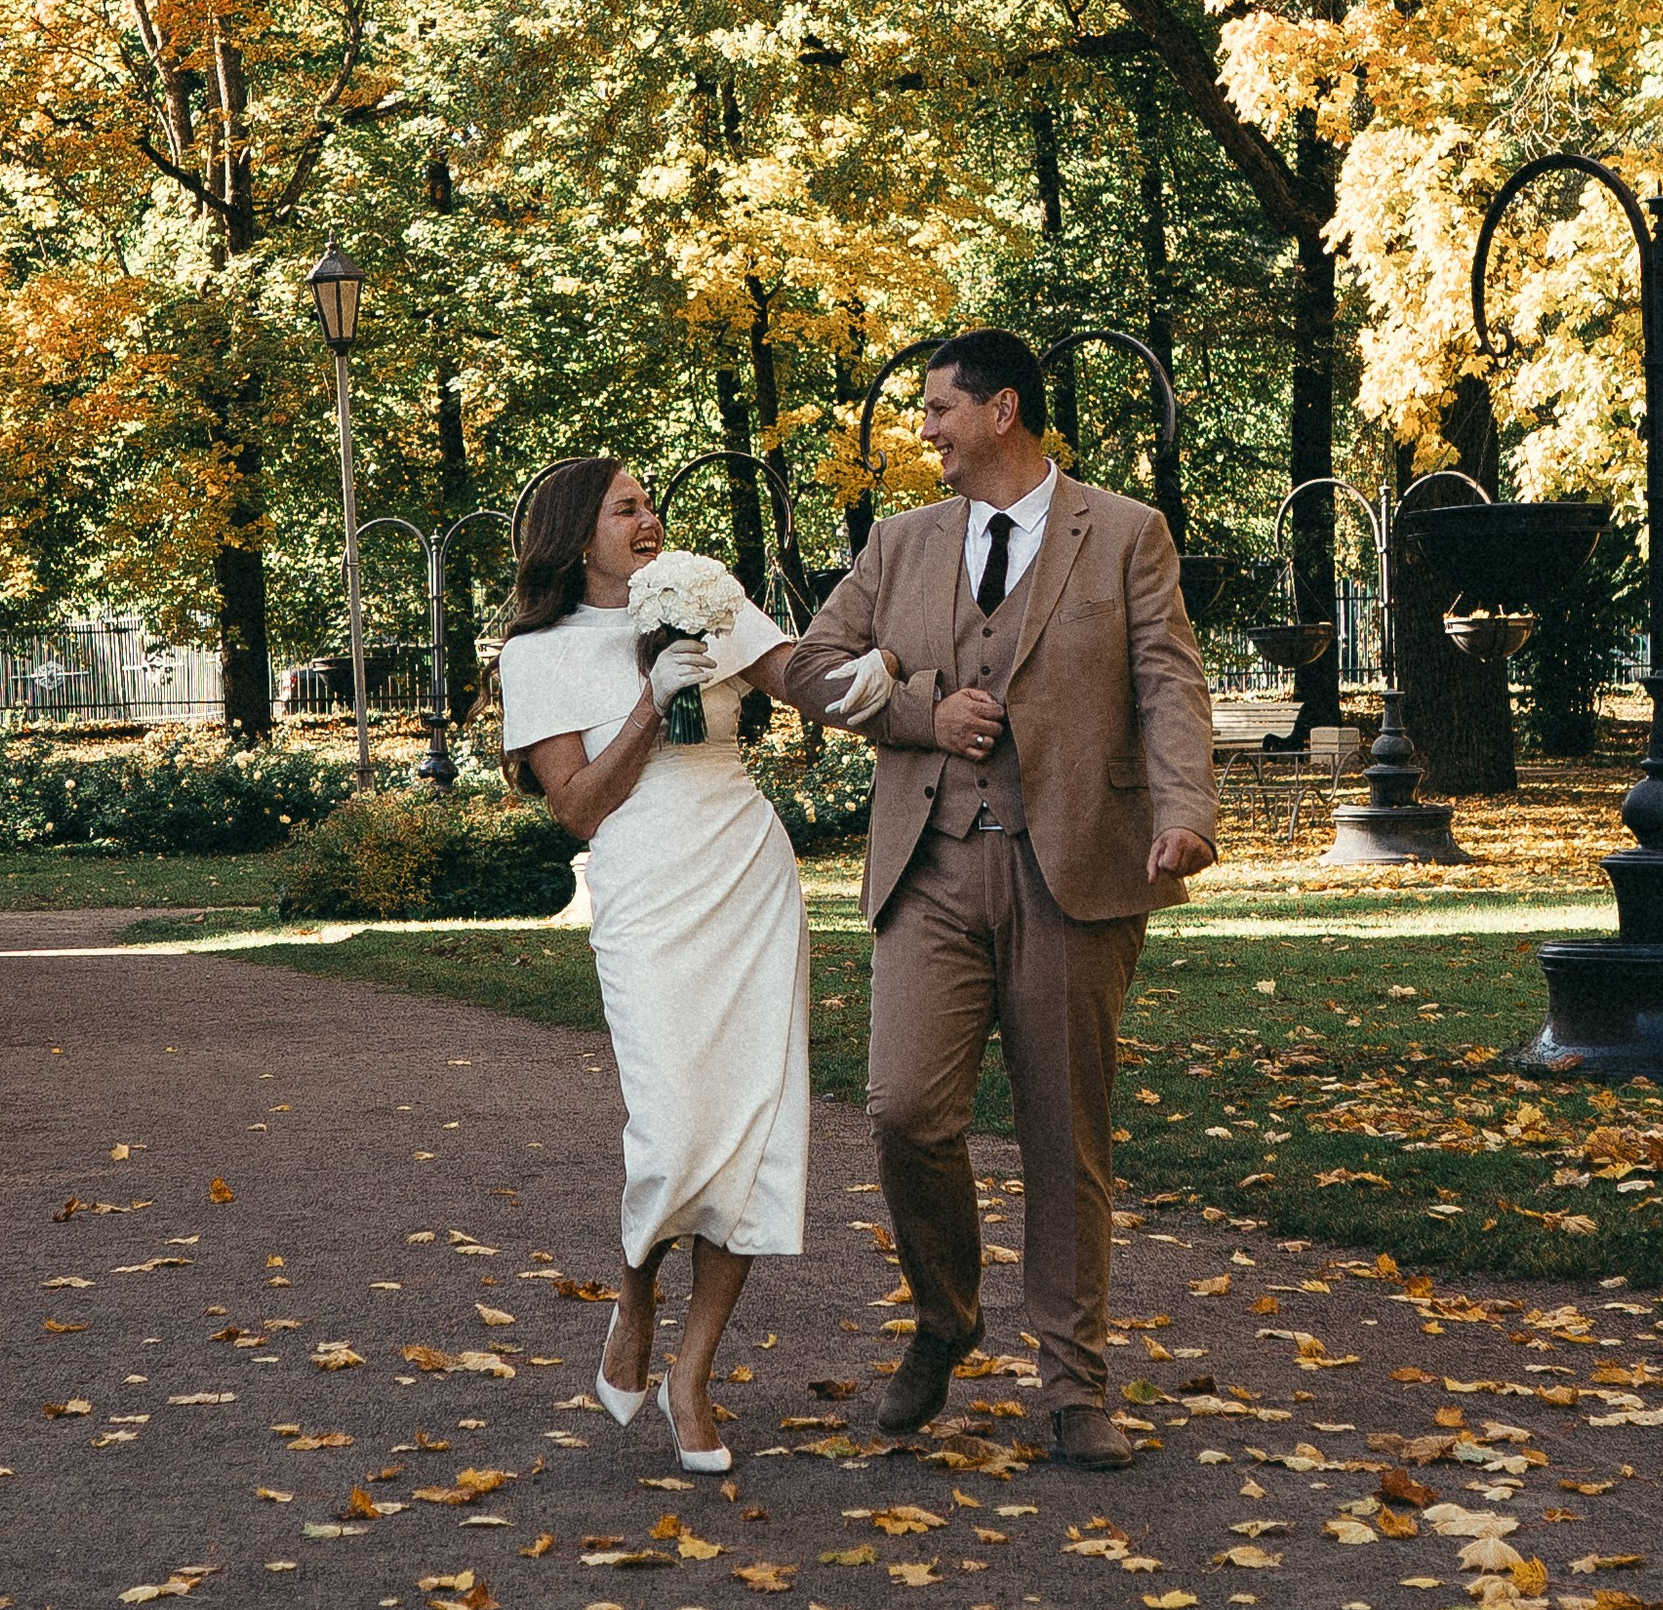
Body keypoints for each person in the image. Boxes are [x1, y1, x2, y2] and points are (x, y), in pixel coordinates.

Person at [785, 329, 1218, 1470]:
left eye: (938, 409)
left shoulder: (1124, 532)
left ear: (1001, 410)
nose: (924, 429)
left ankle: (1076, 1388)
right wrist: (922, 711)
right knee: (903, 1112)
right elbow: (810, 668)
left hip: (1071, 872)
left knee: (1064, 1140)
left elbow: (1168, 681)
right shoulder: (899, 543)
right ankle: (946, 1316)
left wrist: (1186, 811)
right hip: (928, 869)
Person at [495, 455, 810, 1474]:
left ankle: (693, 1375)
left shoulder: (708, 597)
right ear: (575, 534)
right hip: (646, 895)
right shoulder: (538, 653)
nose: (649, 519)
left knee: (749, 1133)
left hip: (746, 875)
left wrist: (885, 659)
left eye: (650, 505)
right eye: (625, 508)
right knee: (673, 1136)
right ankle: (634, 1304)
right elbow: (579, 808)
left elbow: (805, 680)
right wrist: (647, 701)